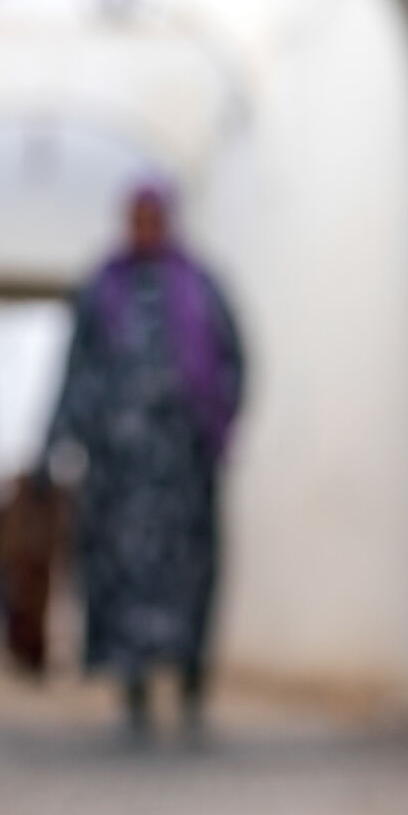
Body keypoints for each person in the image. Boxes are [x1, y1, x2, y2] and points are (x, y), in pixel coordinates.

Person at [44, 180, 245, 740]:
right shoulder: (102, 289)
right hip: (118, 474)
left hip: (183, 472)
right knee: (122, 581)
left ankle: (190, 691)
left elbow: (233, 359)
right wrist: (60, 437)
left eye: (153, 216)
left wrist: (217, 424)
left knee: (190, 579)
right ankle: (133, 696)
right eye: (136, 216)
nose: (145, 226)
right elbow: (78, 369)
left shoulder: (202, 288)